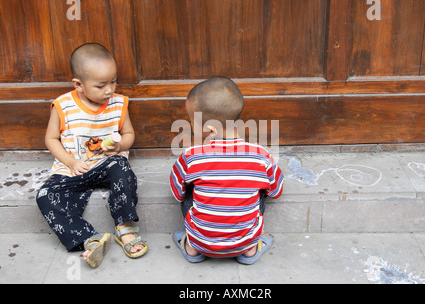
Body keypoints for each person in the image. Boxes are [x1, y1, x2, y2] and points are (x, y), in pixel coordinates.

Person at [36, 43, 147, 268]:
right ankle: (89, 239)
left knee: (122, 168)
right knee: (45, 195)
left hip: (105, 164)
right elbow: (51, 139)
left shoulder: (118, 103)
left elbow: (128, 134)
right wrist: (70, 161)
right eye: (100, 85)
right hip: (72, 169)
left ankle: (124, 226)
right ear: (79, 84)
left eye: (113, 81)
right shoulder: (63, 106)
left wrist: (119, 147)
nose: (109, 90)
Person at [170, 77, 284, 264]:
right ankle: (250, 250)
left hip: (201, 242)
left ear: (210, 129)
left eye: (192, 121)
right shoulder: (260, 154)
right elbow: (277, 191)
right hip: (245, 241)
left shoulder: (191, 155)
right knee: (262, 186)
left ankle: (191, 248)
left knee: (187, 185)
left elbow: (177, 193)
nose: (190, 126)